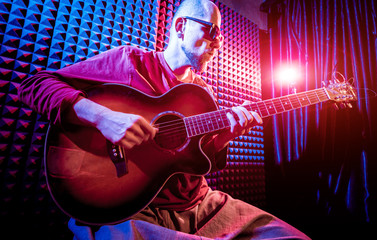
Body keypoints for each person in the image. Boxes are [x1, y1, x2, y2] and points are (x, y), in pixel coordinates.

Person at [18, 0, 311, 239]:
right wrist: (103, 118)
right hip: (134, 210)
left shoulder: (202, 92)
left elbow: (195, 158)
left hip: (202, 206)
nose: (218, 43)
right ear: (181, 27)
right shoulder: (130, 63)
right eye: (212, 31)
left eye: (221, 36)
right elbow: (33, 85)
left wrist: (225, 137)